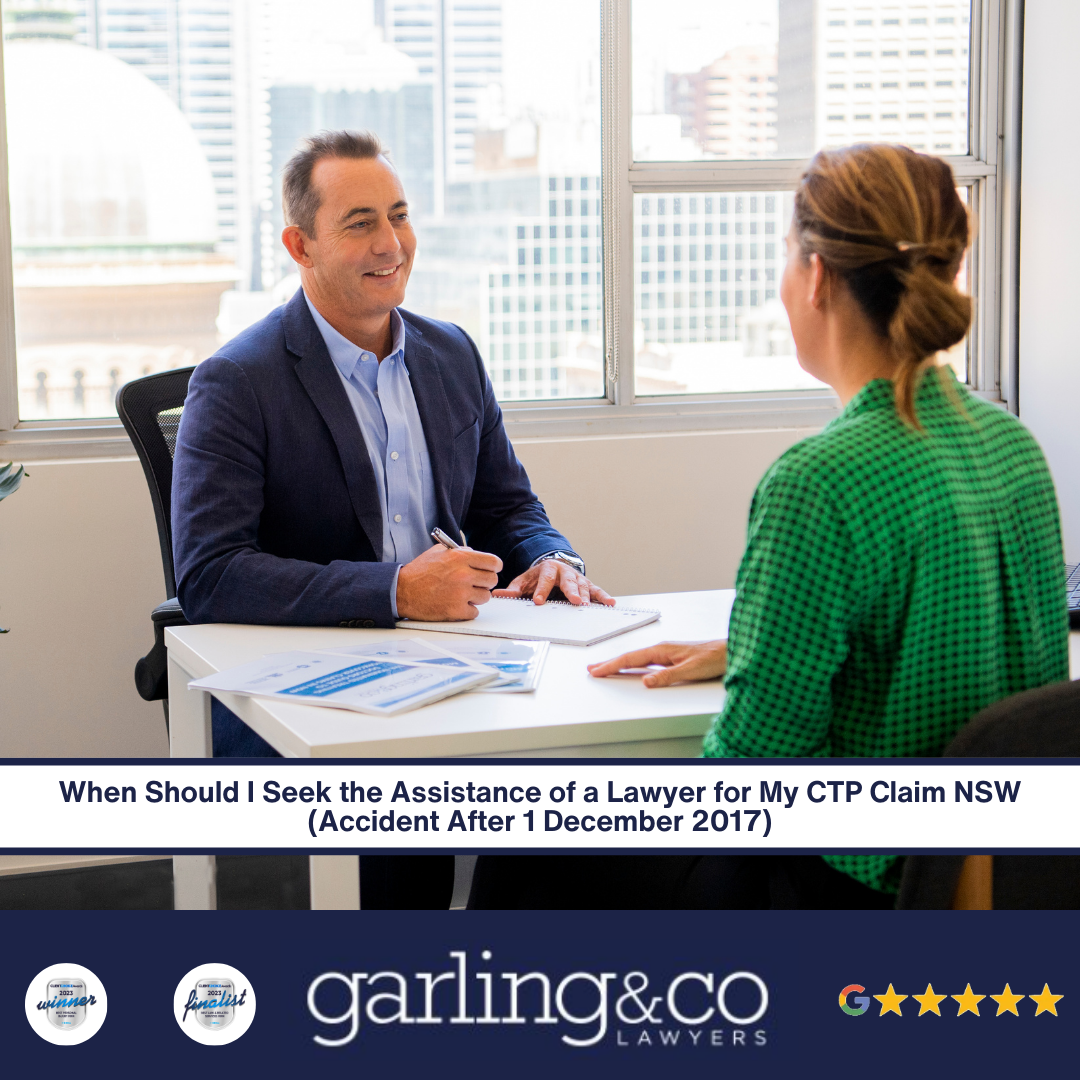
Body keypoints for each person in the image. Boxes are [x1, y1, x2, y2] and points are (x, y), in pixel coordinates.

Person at [470, 144, 1069, 909]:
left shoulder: (821, 481)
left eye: (786, 254)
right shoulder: (1007, 441)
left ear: (815, 276)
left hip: (842, 883)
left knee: (527, 835)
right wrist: (756, 655)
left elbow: (749, 774)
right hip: (993, 880)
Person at [171, 129, 613, 906]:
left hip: (461, 660)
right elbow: (209, 574)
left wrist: (553, 559)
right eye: (359, 222)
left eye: (399, 215)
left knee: (584, 785)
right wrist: (395, 592)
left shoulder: (453, 355)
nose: (390, 243)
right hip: (308, 687)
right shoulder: (237, 381)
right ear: (299, 245)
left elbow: (508, 506)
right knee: (399, 822)